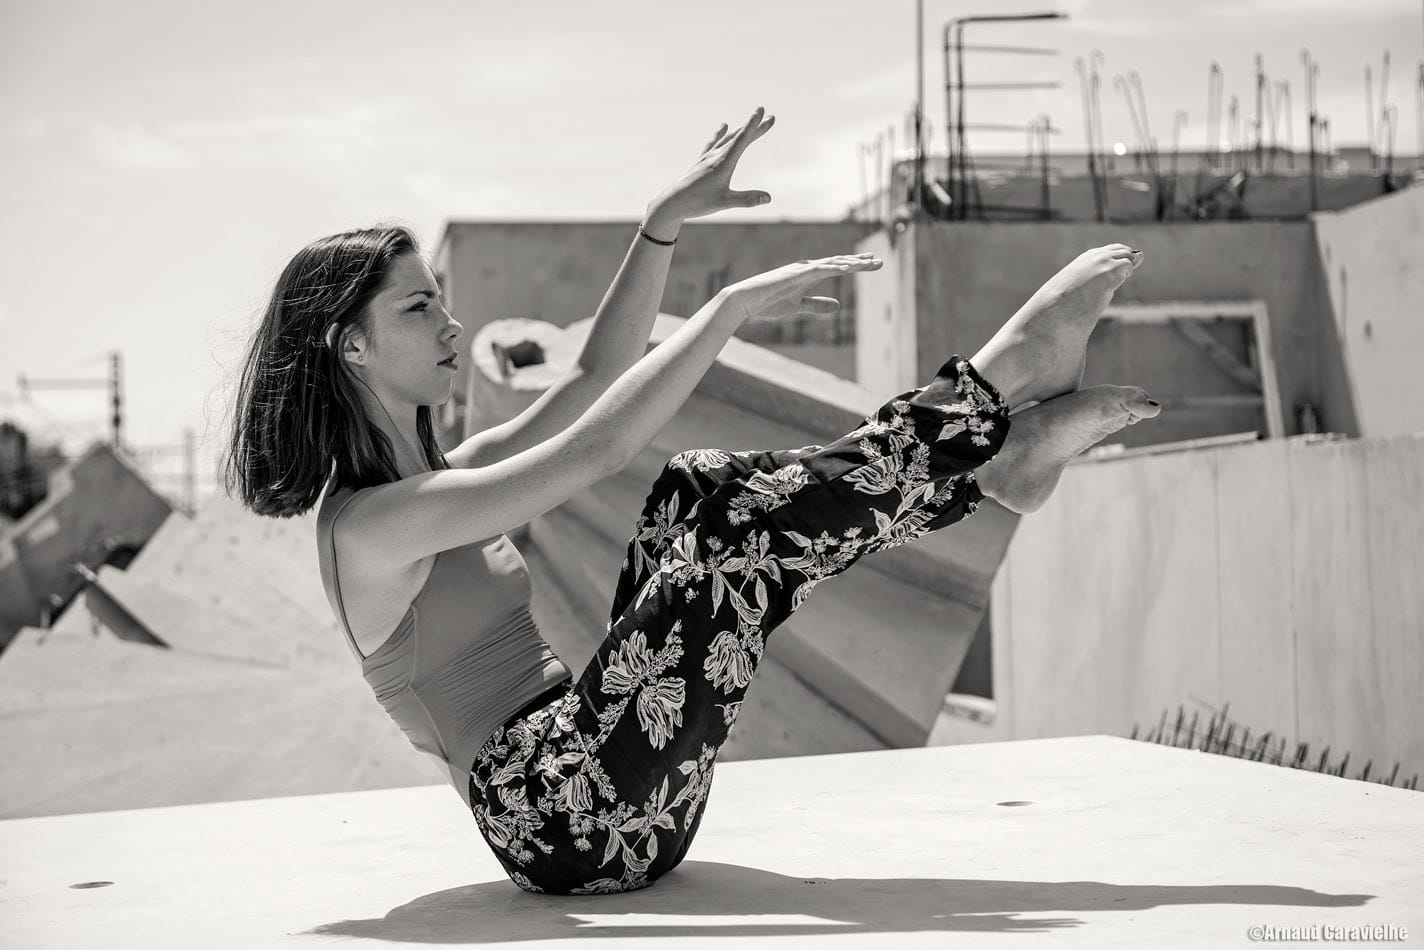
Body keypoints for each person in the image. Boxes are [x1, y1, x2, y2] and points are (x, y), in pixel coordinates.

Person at [224, 107, 1160, 896]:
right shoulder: (373, 528)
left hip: (606, 762)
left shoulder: (444, 478)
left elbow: (593, 377)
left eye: (440, 299)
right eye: (418, 308)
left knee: (698, 487)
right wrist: (726, 310)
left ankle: (991, 463)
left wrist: (661, 224)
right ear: (351, 346)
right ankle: (988, 402)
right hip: (560, 818)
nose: (451, 322)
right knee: (729, 542)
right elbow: (598, 450)